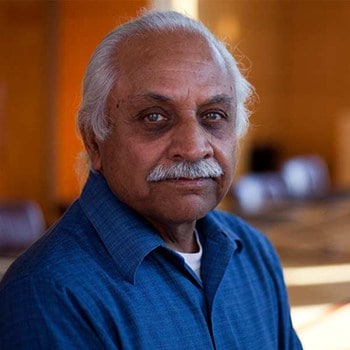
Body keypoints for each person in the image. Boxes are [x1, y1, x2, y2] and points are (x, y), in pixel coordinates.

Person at [0, 10, 302, 349]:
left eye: (213, 116)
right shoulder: (49, 292)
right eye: (154, 117)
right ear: (93, 140)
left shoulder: (253, 254)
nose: (192, 147)